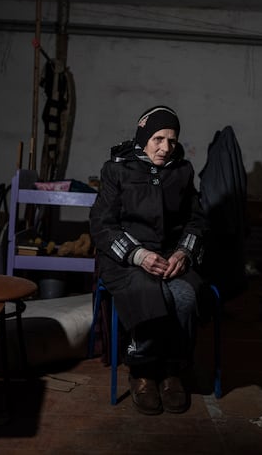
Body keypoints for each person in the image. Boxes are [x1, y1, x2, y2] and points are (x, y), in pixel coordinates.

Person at [89, 105, 207, 415]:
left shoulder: (182, 171)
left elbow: (196, 221)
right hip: (127, 259)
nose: (166, 148)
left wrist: (184, 252)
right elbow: (102, 224)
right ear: (143, 138)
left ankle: (171, 370)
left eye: (172, 140)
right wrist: (138, 254)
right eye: (158, 139)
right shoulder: (117, 170)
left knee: (183, 296)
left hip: (170, 257)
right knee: (146, 291)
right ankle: (142, 371)